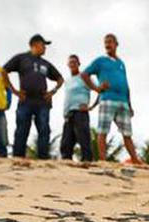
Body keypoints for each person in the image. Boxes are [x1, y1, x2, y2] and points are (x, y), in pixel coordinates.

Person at [82, 34, 142, 164]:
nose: (107, 45)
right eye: (105, 43)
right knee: (103, 131)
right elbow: (84, 74)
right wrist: (96, 88)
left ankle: (135, 160)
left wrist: (130, 104)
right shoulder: (100, 61)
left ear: (116, 44)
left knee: (127, 133)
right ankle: (103, 160)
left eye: (110, 42)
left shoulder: (121, 63)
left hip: (123, 101)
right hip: (108, 99)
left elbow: (126, 84)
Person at [4, 34, 63, 159]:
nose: (45, 49)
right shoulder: (21, 58)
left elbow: (60, 79)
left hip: (42, 102)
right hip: (25, 100)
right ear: (35, 45)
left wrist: (52, 91)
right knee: (21, 130)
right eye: (43, 45)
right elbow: (3, 71)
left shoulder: (45, 63)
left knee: (44, 130)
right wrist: (14, 90)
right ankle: (18, 158)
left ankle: (43, 159)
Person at [60, 55, 94, 162]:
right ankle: (66, 162)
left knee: (84, 139)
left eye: (75, 62)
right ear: (68, 65)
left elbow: (100, 90)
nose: (72, 64)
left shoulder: (84, 77)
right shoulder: (68, 81)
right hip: (68, 114)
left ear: (79, 64)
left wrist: (90, 106)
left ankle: (87, 161)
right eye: (70, 62)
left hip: (80, 112)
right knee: (66, 142)